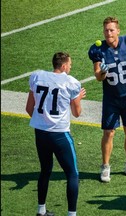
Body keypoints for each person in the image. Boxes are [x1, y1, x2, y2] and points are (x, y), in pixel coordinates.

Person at [26, 52, 86, 216]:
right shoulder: (71, 82)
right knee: (72, 174)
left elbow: (29, 109)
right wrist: (78, 98)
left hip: (40, 133)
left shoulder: (37, 76)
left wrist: (43, 121)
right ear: (64, 65)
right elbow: (76, 113)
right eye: (70, 65)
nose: (71, 67)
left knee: (45, 170)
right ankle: (72, 214)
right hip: (60, 134)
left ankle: (41, 210)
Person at [88, 16, 126, 183]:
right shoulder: (98, 49)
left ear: (118, 31)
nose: (108, 33)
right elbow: (98, 77)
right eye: (106, 30)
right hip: (111, 98)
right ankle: (105, 166)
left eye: (112, 30)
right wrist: (103, 72)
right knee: (108, 132)